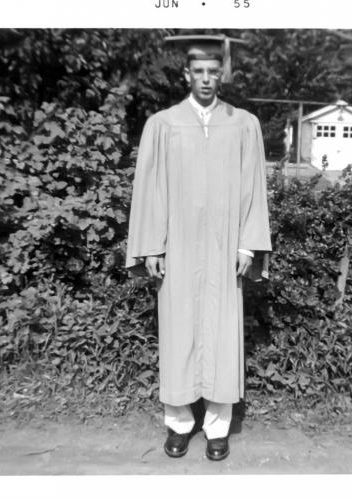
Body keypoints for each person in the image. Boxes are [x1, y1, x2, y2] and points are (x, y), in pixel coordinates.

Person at [125, 34, 272, 461]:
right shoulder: (162, 124)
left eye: (213, 71)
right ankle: (179, 423)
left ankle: (218, 428)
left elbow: (254, 187)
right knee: (178, 333)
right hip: (178, 247)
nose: (206, 79)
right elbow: (150, 189)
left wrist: (248, 246)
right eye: (199, 71)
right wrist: (152, 247)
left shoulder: (243, 123)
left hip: (226, 249)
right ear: (186, 74)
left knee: (222, 335)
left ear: (221, 74)